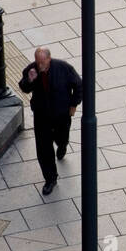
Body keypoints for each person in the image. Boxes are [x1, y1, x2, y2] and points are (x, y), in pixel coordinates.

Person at [18, 46, 83, 196]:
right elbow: (24, 87)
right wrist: (30, 79)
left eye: (42, 62)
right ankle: (50, 179)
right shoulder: (32, 70)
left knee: (62, 137)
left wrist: (74, 104)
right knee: (43, 148)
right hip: (42, 117)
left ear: (49, 59)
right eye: (37, 61)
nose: (40, 65)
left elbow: (78, 85)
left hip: (61, 115)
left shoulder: (63, 68)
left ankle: (62, 145)